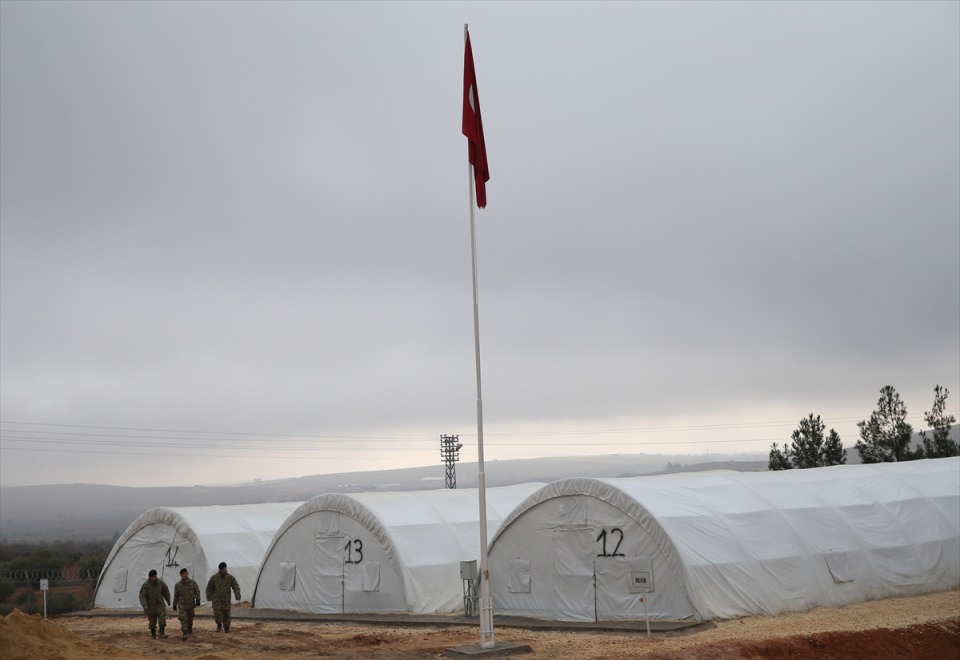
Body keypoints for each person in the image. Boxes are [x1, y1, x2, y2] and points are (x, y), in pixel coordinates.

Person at [205, 561, 241, 632]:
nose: (224, 570)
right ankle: (219, 625)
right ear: (220, 570)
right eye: (223, 569)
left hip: (226, 600)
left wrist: (237, 595)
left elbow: (235, 586)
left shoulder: (230, 577)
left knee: (226, 615)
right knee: (217, 614)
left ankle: (227, 628)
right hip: (217, 600)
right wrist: (209, 597)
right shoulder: (214, 578)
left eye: (225, 569)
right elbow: (209, 587)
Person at [138, 569, 171, 639]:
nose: (154, 578)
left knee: (162, 620)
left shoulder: (160, 583)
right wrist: (145, 605)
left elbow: (166, 591)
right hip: (151, 606)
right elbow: (142, 596)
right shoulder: (146, 585)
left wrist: (168, 600)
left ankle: (162, 633)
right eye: (153, 577)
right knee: (152, 622)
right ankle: (153, 634)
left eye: (155, 576)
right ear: (150, 577)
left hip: (160, 605)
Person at [172, 567, 201, 640]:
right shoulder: (178, 585)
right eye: (183, 574)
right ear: (180, 575)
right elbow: (176, 595)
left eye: (185, 574)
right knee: (183, 618)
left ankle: (189, 628)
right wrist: (174, 604)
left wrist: (198, 599)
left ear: (187, 574)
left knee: (190, 618)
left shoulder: (192, 583)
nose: (184, 575)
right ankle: (185, 632)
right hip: (182, 604)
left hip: (190, 604)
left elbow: (197, 591)